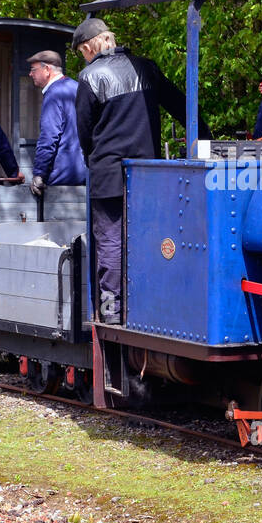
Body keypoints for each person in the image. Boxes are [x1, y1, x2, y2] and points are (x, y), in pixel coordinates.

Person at [72, 17, 207, 323]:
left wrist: (92, 161)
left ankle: (110, 312)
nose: (84, 58)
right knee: (149, 240)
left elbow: (84, 132)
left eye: (82, 52)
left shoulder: (90, 77)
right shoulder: (146, 68)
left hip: (107, 174)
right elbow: (184, 106)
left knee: (109, 243)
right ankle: (149, 306)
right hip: (149, 175)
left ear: (90, 46)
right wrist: (204, 140)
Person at [26, 50, 87, 196]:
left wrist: (39, 173)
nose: (30, 74)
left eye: (33, 70)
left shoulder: (54, 94)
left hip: (62, 178)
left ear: (46, 69)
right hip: (86, 174)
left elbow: (49, 137)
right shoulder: (78, 88)